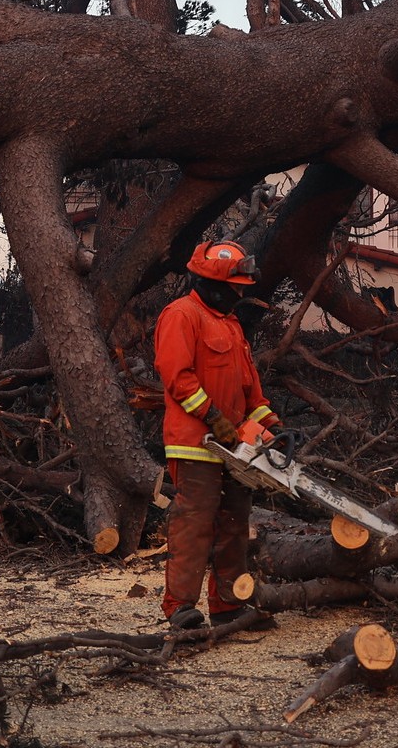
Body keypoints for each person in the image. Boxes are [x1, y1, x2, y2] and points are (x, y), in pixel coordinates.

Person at [154, 240, 282, 630]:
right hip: (195, 445)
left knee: (234, 524)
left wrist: (272, 427)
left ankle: (228, 603)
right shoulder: (182, 315)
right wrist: (212, 415)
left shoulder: (231, 324)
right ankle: (180, 608)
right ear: (211, 281)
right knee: (193, 525)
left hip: (236, 450)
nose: (239, 293)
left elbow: (250, 392)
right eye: (235, 286)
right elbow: (176, 376)